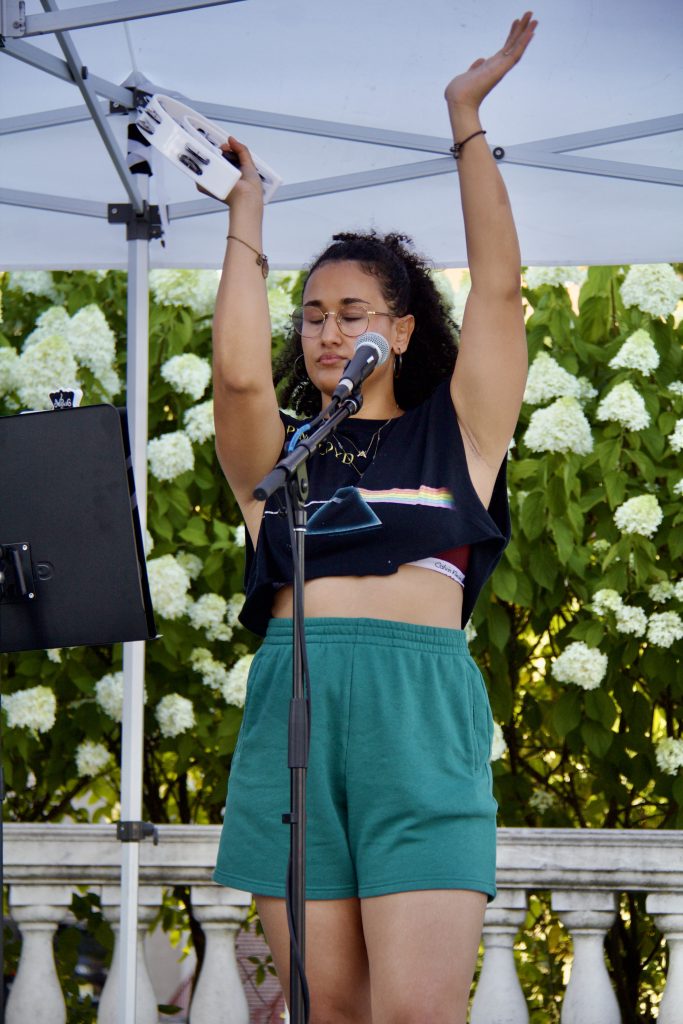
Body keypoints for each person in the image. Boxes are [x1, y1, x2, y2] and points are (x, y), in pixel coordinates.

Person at [211, 13, 536, 1024]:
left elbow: (499, 290)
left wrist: (463, 119)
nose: (325, 330)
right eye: (311, 313)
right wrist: (245, 213)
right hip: (292, 705)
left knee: (412, 1014)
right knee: (334, 1012)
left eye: (351, 313)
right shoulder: (283, 457)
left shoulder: (458, 435)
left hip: (414, 714)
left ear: (397, 330)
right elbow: (232, 374)